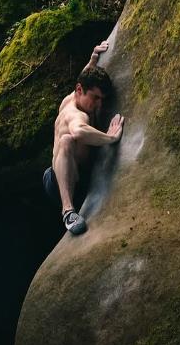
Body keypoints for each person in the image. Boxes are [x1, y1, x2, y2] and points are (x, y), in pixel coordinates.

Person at [43, 41, 124, 235]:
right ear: (80, 90)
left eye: (101, 99)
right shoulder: (76, 113)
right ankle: (68, 212)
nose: (98, 104)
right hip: (64, 180)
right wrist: (110, 138)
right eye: (95, 98)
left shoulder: (77, 94)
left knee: (69, 141)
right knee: (68, 140)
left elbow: (85, 76)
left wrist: (94, 58)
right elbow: (78, 130)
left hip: (71, 171)